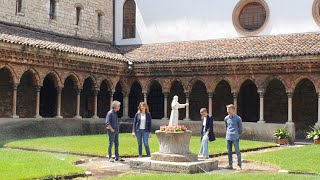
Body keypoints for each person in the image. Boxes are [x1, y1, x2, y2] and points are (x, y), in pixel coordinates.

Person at [224, 104, 243, 170]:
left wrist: (237, 134)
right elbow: (226, 127)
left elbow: (240, 128)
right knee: (229, 151)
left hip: (235, 137)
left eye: (229, 109)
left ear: (233, 110)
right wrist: (228, 133)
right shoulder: (226, 118)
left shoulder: (238, 118)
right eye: (227, 109)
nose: (228, 110)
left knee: (237, 151)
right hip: (228, 137)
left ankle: (239, 165)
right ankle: (230, 164)